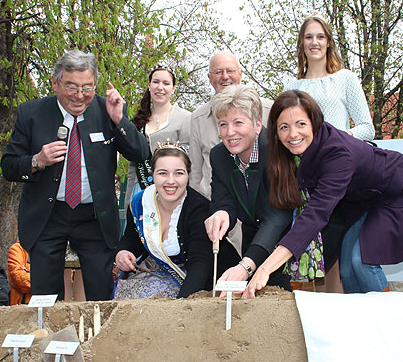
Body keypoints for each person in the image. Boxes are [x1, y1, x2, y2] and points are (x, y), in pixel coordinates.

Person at [243, 91, 403, 297]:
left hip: (399, 190)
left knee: (362, 261)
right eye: (284, 127)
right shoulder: (290, 154)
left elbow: (315, 214)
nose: (293, 134)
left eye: (301, 124)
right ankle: (359, 322)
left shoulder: (337, 154)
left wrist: (265, 268)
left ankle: (389, 318)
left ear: (314, 122)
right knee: (347, 269)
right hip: (364, 201)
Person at [1, 50, 148, 301]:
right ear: (55, 83)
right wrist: (37, 160)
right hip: (48, 215)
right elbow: (9, 166)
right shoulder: (31, 113)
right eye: (71, 87)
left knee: (100, 294)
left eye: (87, 87)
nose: (80, 96)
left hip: (94, 216)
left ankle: (98, 339)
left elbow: (141, 152)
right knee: (45, 297)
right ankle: (50, 338)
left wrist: (119, 119)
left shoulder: (106, 110)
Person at [284, 16, 375, 292]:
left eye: (320, 36)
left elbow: (367, 128)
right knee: (312, 256)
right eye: (309, 36)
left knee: (336, 257)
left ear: (328, 42)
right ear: (302, 43)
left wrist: (334, 142)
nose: (314, 42)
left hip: (340, 176)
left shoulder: (344, 79)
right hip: (306, 177)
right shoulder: (291, 85)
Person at [205, 85, 292, 291]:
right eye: (223, 124)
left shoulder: (276, 150)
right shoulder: (218, 156)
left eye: (238, 123)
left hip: (287, 238)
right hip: (252, 235)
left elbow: (278, 215)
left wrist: (246, 265)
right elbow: (222, 197)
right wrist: (221, 212)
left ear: (257, 125)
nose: (229, 132)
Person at [114, 143, 212, 298]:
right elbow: (132, 238)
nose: (170, 181)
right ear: (152, 175)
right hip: (156, 271)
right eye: (163, 173)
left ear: (188, 175)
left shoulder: (199, 209)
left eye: (179, 173)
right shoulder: (141, 202)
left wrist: (181, 307)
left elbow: (200, 264)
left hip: (194, 280)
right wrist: (123, 252)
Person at [189, 50, 272, 199]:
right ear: (209, 77)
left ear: (240, 73)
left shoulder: (269, 109)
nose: (225, 76)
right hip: (214, 205)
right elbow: (195, 172)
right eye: (218, 72)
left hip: (260, 206)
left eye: (230, 71)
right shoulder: (197, 118)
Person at [123, 66, 191, 208]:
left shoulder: (186, 119)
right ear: (149, 85)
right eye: (156, 82)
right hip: (140, 190)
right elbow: (132, 166)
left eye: (166, 83)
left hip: (172, 192)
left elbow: (190, 163)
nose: (160, 87)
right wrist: (128, 200)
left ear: (173, 88)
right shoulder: (137, 121)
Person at [7, 239, 31, 305]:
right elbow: (17, 277)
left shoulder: (49, 248)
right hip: (22, 305)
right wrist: (44, 281)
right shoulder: (17, 249)